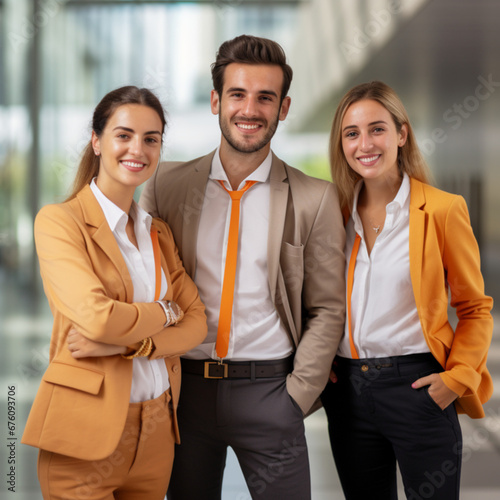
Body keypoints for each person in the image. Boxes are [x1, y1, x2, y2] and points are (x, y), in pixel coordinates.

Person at [139, 35, 346, 499]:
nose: (249, 109)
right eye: (237, 94)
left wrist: (296, 396)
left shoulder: (315, 198)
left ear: (284, 107)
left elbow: (328, 308)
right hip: (183, 394)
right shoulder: (164, 185)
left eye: (265, 97)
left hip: (271, 394)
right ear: (216, 100)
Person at [21, 86, 207, 499]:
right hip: (84, 434)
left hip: (157, 429)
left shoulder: (157, 232)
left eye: (151, 139)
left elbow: (196, 324)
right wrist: (165, 309)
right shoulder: (59, 222)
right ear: (96, 141)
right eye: (123, 135)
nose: (137, 148)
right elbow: (98, 317)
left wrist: (132, 346)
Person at [321, 80, 494, 499]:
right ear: (341, 144)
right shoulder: (331, 215)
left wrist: (456, 379)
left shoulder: (441, 209)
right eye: (352, 133)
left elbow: (474, 308)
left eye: (377, 129)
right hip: (347, 392)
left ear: (401, 134)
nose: (365, 143)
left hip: (419, 387)